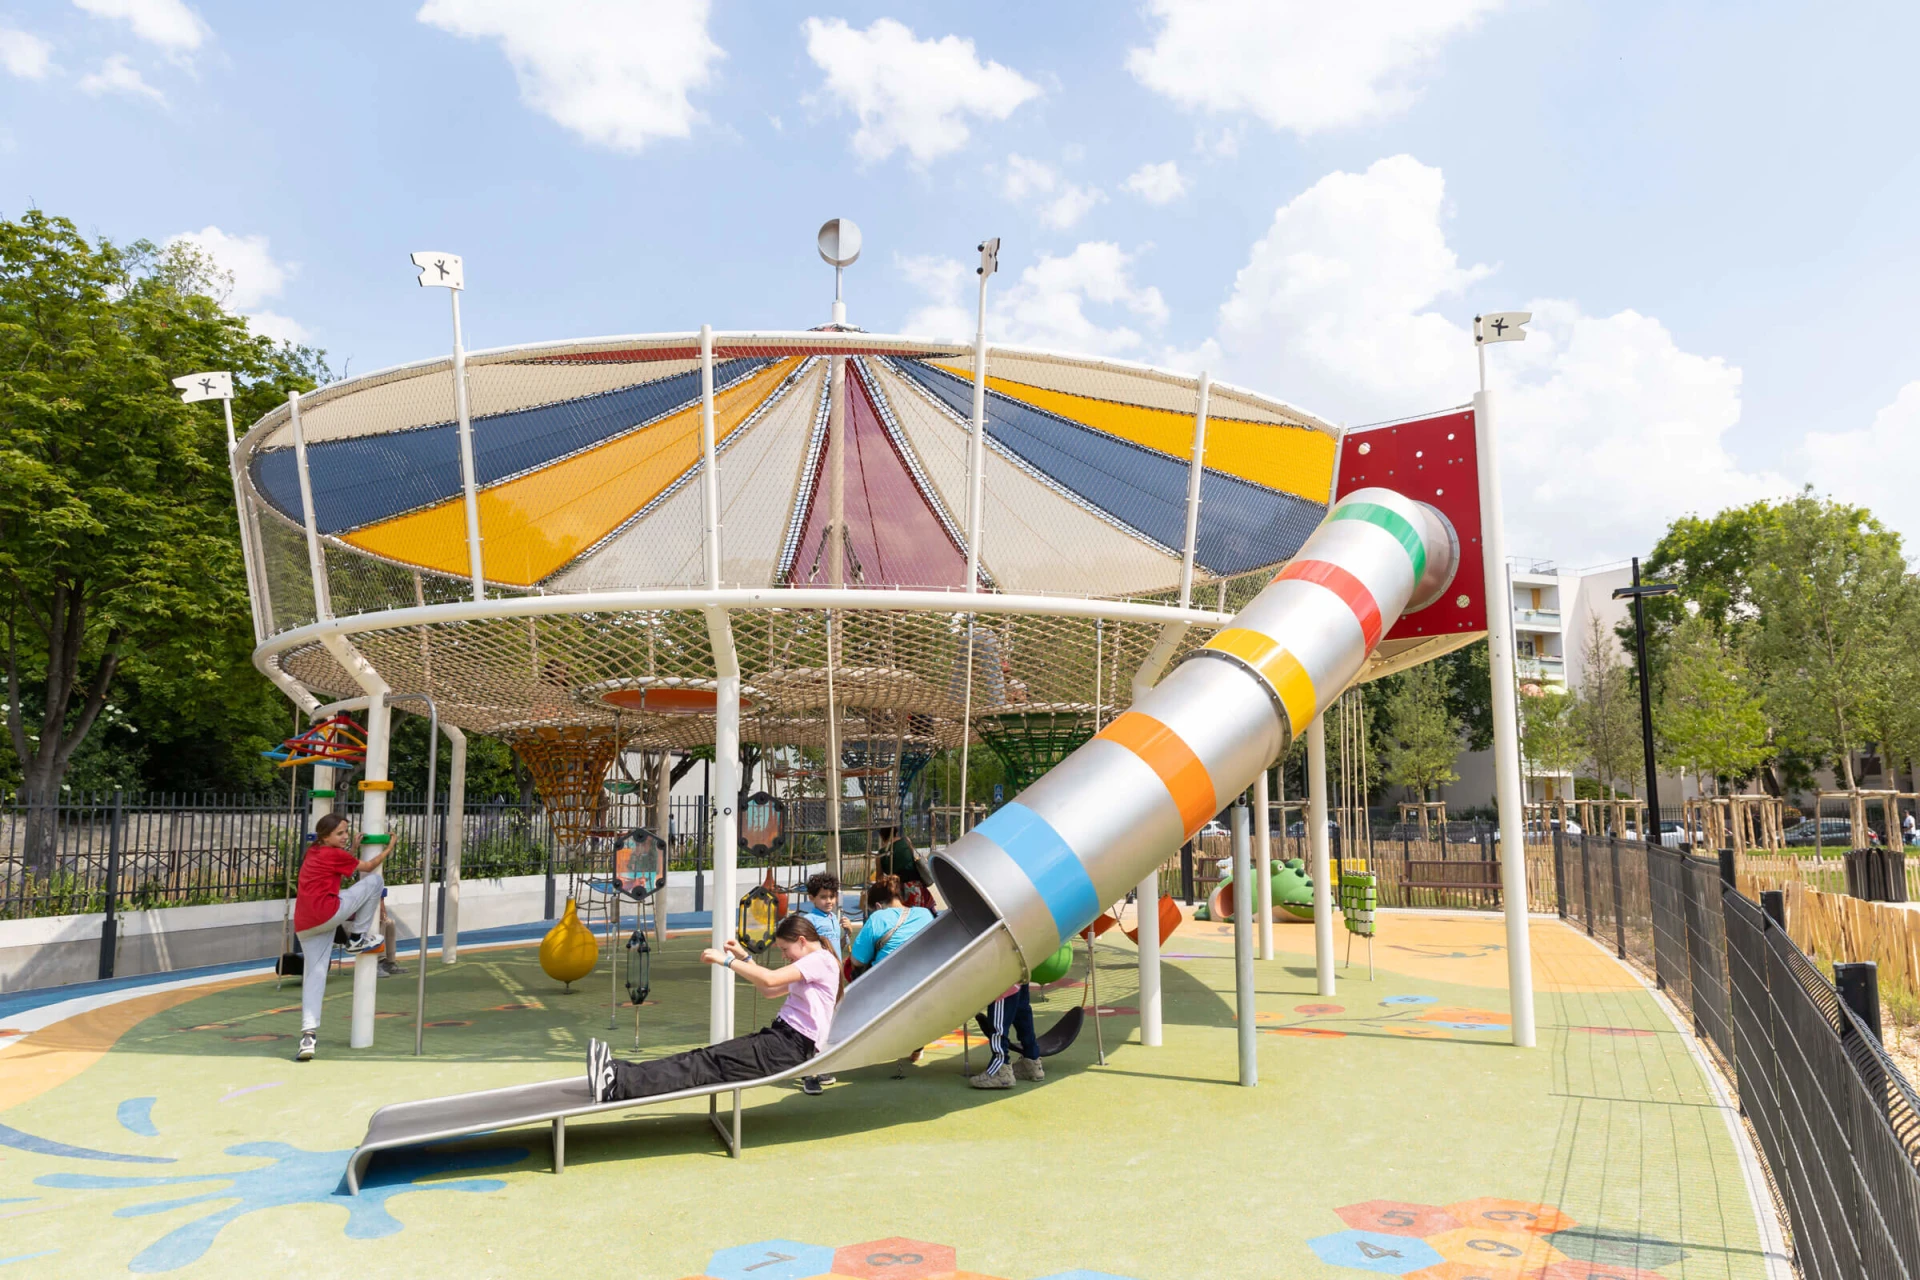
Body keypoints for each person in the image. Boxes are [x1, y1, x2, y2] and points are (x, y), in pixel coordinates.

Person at [588, 914, 836, 1102]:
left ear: (802, 941)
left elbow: (770, 979)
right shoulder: (814, 963)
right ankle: (619, 1072)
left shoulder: (820, 960)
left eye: (785, 950)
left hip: (789, 1046)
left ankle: (616, 1085)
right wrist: (744, 958)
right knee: (701, 1058)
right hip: (781, 1040)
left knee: (703, 1064)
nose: (785, 956)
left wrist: (726, 961)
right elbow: (769, 990)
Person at [291, 813, 389, 1062]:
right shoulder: (334, 854)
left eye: (346, 832)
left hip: (305, 924)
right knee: (374, 883)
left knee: (315, 975)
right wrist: (390, 847)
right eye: (340, 834)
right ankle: (357, 938)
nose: (345, 837)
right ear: (325, 836)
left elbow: (342, 868)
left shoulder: (313, 853)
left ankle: (308, 1035)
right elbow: (366, 868)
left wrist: (352, 848)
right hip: (327, 915)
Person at [795, 872, 844, 1096]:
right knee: (814, 1024)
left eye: (832, 896)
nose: (829, 901)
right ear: (812, 898)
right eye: (823, 897)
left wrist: (846, 934)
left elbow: (837, 946)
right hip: (816, 980)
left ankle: (820, 1066)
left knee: (827, 1024)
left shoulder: (833, 918)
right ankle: (809, 1073)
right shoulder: (810, 921)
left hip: (832, 979)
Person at [849, 875, 933, 975]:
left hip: (887, 979)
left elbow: (857, 961)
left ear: (878, 906)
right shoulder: (925, 914)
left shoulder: (878, 917)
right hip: (923, 975)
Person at [971, 980, 1043, 1089]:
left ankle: (1001, 1069)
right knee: (1021, 1006)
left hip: (1003, 970)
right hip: (1022, 967)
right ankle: (1032, 1062)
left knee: (1000, 1004)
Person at [879, 827, 935, 911]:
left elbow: (879, 878)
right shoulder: (906, 841)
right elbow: (913, 857)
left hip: (897, 891)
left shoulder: (881, 854)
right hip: (916, 886)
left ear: (881, 836)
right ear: (896, 832)